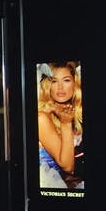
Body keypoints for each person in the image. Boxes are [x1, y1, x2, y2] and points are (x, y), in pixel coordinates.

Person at [37, 61, 82, 190]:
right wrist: (66, 123)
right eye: (54, 81)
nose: (60, 87)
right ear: (47, 85)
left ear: (74, 84)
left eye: (66, 80)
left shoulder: (71, 113)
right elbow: (67, 166)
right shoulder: (41, 117)